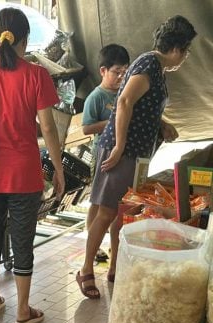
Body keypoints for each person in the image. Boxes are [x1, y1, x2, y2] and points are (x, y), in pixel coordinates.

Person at [76, 15, 196, 299]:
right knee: (106, 212)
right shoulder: (148, 64)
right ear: (178, 48)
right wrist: (118, 146)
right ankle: (86, 270)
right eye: (187, 50)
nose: (186, 56)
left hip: (138, 152)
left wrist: (162, 123)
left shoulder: (157, 69)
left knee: (123, 213)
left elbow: (142, 105)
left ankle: (115, 267)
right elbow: (125, 101)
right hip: (123, 151)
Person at [0, 7, 64, 323]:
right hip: (24, 173)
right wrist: (58, 169)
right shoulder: (37, 75)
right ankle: (23, 309)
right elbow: (48, 128)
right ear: (26, 40)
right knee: (23, 240)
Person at [81, 43, 129, 279]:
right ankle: (93, 243)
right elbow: (86, 128)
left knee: (111, 207)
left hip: (119, 156)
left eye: (124, 72)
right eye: (116, 72)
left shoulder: (125, 93)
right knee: (97, 203)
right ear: (103, 71)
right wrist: (114, 121)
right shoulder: (96, 97)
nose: (121, 77)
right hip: (101, 154)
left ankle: (111, 246)